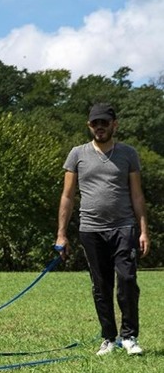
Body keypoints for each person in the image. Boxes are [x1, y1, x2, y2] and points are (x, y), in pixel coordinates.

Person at [56, 103, 150, 355]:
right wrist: (61, 235)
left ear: (114, 125)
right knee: (101, 285)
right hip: (91, 229)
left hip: (124, 227)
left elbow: (137, 195)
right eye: (95, 123)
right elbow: (67, 196)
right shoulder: (77, 154)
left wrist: (143, 230)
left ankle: (129, 336)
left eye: (104, 123)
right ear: (89, 126)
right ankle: (108, 337)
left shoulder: (128, 154)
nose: (100, 127)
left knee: (127, 280)